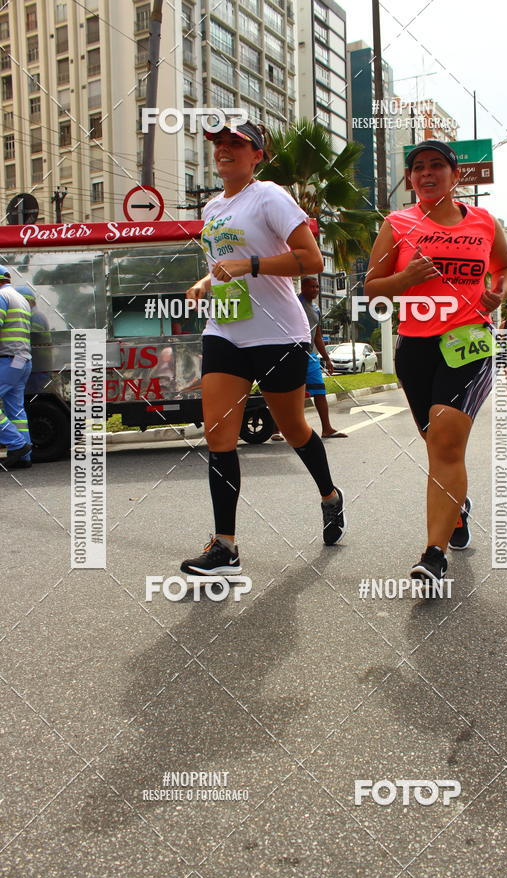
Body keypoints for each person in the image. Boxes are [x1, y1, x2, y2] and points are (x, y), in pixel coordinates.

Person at [180, 119, 346, 577]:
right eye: (219, 143)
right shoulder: (213, 207)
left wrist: (250, 264)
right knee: (218, 435)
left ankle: (330, 495)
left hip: (278, 333)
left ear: (257, 155)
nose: (224, 149)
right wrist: (205, 281)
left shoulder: (270, 196)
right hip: (225, 329)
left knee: (293, 429)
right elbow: (222, 265)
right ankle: (225, 547)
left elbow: (311, 260)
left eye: (236, 143)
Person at [364, 139, 507, 586]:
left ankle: (434, 554)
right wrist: (405, 278)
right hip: (416, 347)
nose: (426, 174)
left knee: (447, 443)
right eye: (418, 168)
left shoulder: (484, 222)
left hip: (469, 342)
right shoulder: (397, 223)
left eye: (436, 165)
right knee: (436, 446)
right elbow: (372, 287)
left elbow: (506, 268)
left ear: (455, 175)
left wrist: (498, 292)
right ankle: (458, 508)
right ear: (410, 179)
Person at [271, 276, 347, 440]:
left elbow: (318, 336)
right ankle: (277, 430)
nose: (315, 290)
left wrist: (327, 359)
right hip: (291, 355)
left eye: (317, 287)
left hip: (310, 356)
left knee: (320, 391)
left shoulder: (316, 309)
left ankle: (327, 429)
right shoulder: (293, 303)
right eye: (312, 287)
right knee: (286, 392)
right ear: (303, 288)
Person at [0, 268, 34, 470]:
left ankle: (17, 445)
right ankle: (24, 456)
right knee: (16, 409)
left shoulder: (1, 296)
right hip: (22, 361)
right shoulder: (20, 298)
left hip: (8, 360)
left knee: (15, 407)